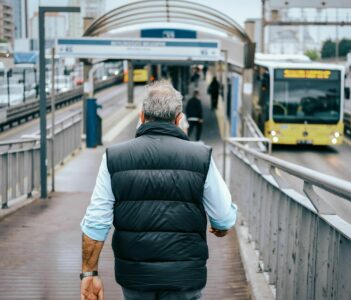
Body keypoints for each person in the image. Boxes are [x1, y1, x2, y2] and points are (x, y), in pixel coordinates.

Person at [80, 80, 237, 300]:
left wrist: (90, 273)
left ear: (141, 116)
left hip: (135, 277)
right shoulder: (201, 156)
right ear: (179, 119)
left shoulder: (114, 157)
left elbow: (96, 223)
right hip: (185, 278)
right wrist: (221, 227)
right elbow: (223, 217)